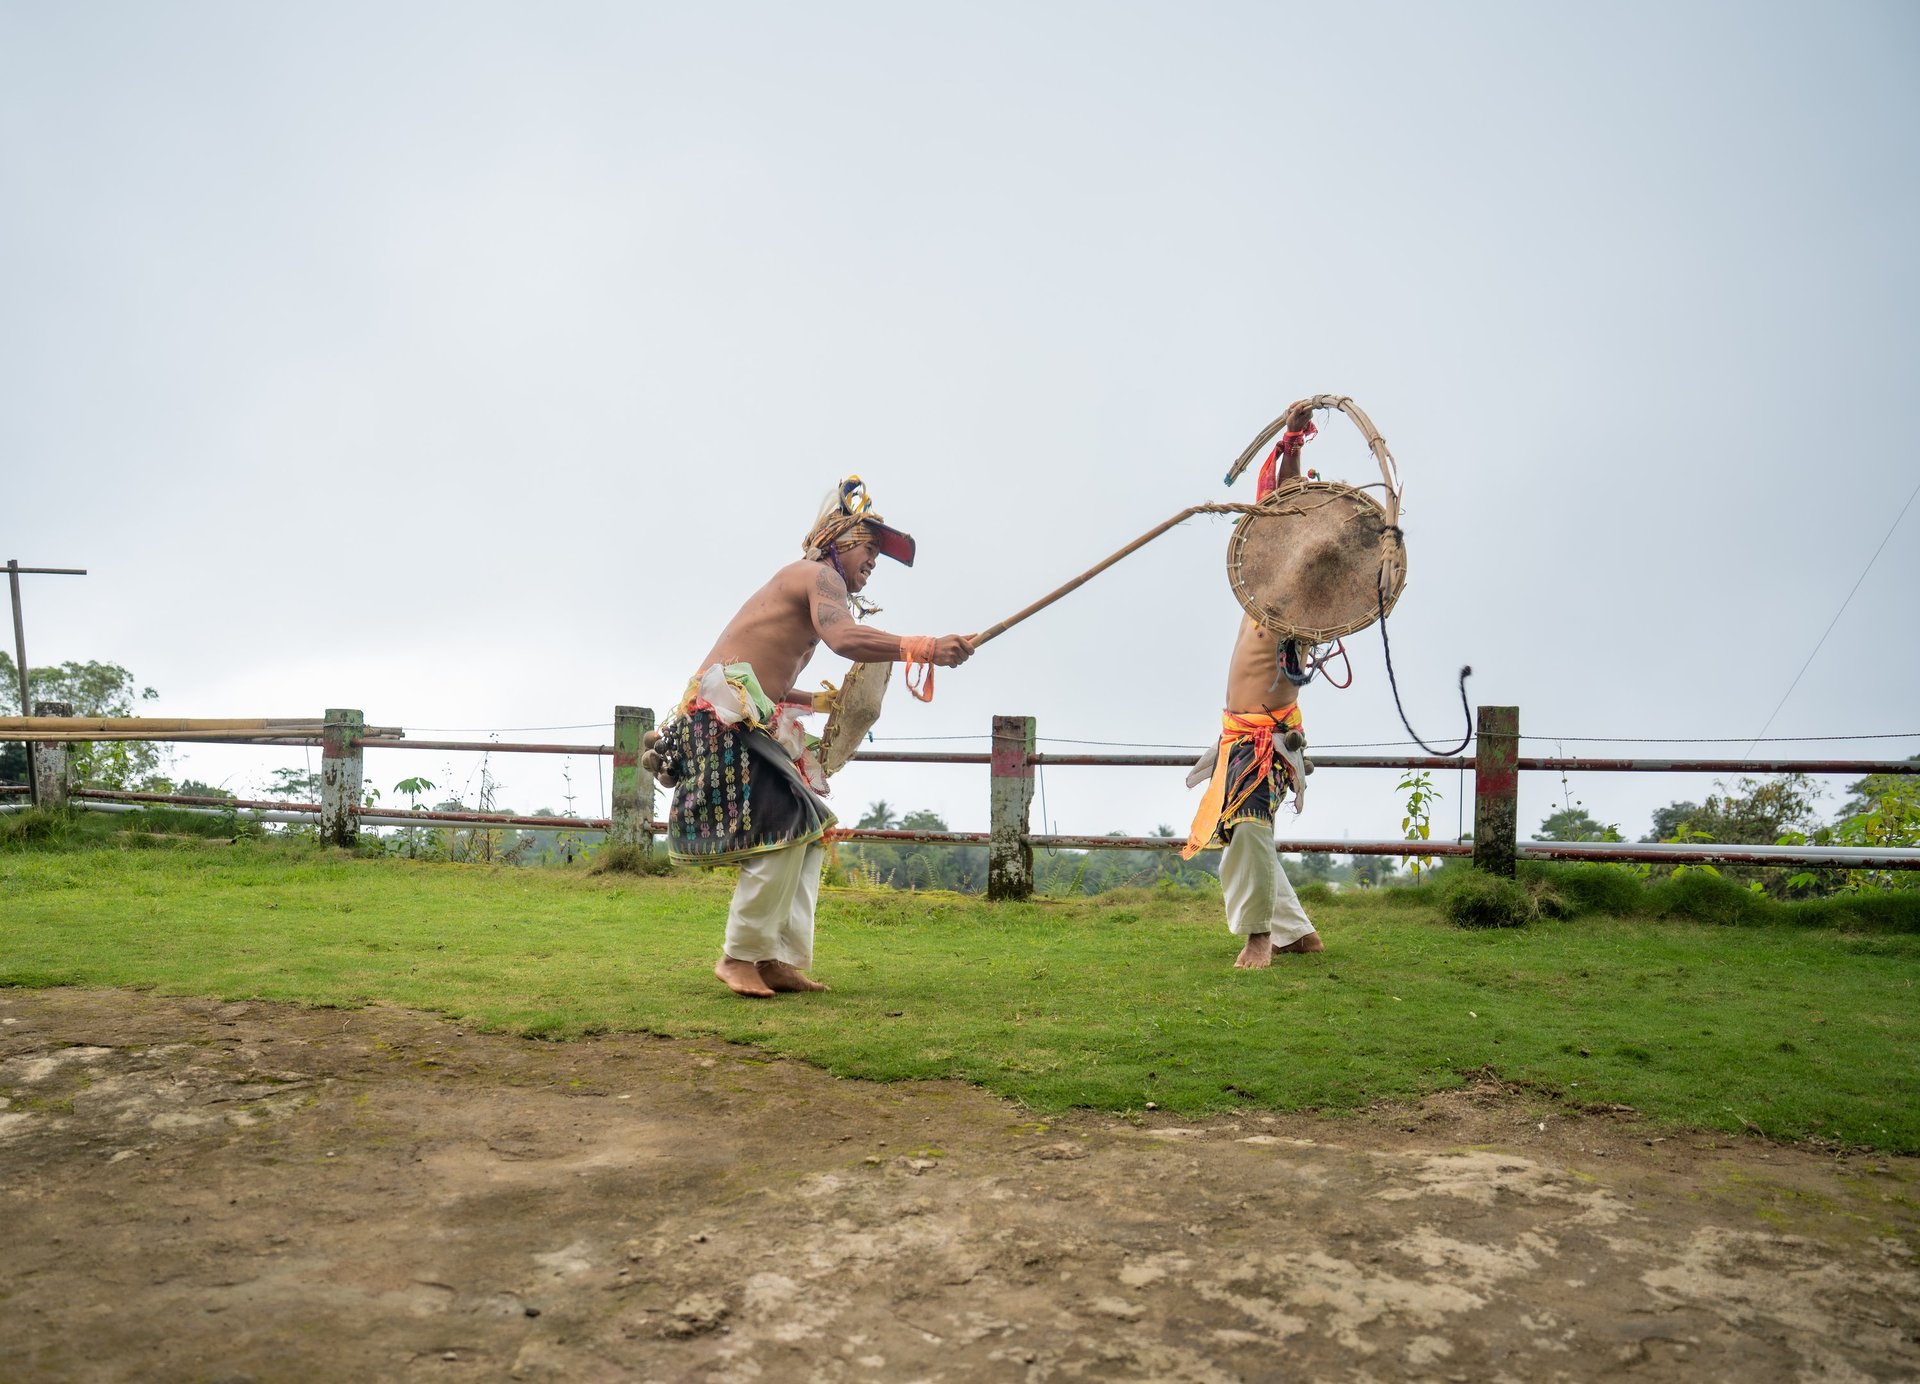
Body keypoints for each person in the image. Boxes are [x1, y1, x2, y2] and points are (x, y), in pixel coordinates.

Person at [644, 478, 973, 999]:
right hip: (720, 713)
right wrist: (924, 646)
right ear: (841, 542)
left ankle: (776, 958)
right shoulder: (818, 576)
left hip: (739, 711)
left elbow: (770, 676)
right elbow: (844, 640)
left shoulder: (814, 583)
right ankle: (738, 956)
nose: (874, 563)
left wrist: (818, 703)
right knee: (787, 820)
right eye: (870, 549)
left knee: (811, 827)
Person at [1181, 426, 1323, 969]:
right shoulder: (1260, 590)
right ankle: (1298, 933)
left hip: (1267, 736)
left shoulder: (1298, 608)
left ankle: (1260, 937)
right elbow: (1279, 511)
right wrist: (1293, 440)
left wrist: (1297, 458)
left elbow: (1291, 518)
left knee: (1249, 825)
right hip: (1240, 731)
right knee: (1247, 824)